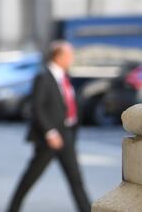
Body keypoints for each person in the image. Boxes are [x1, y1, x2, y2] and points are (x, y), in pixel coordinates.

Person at [7, 41, 92, 212]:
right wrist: (50, 132)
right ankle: (12, 208)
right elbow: (37, 107)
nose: (72, 59)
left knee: (75, 178)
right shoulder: (43, 77)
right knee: (31, 176)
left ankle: (86, 209)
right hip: (50, 138)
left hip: (67, 134)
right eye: (69, 55)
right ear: (59, 56)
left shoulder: (64, 77)